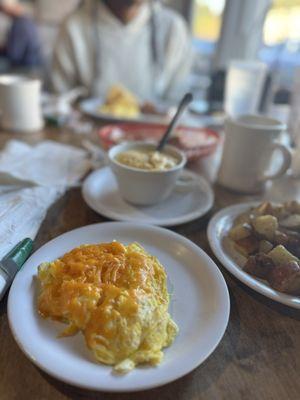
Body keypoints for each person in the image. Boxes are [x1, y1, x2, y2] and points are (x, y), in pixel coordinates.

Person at [51, 0, 192, 101]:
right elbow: (60, 102)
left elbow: (179, 103)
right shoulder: (74, 27)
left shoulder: (173, 29)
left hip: (154, 137)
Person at [0, 0, 43, 68]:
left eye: (2, 10)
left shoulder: (20, 25)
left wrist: (4, 49)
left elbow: (14, 55)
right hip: (30, 64)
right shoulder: (26, 20)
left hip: (26, 67)